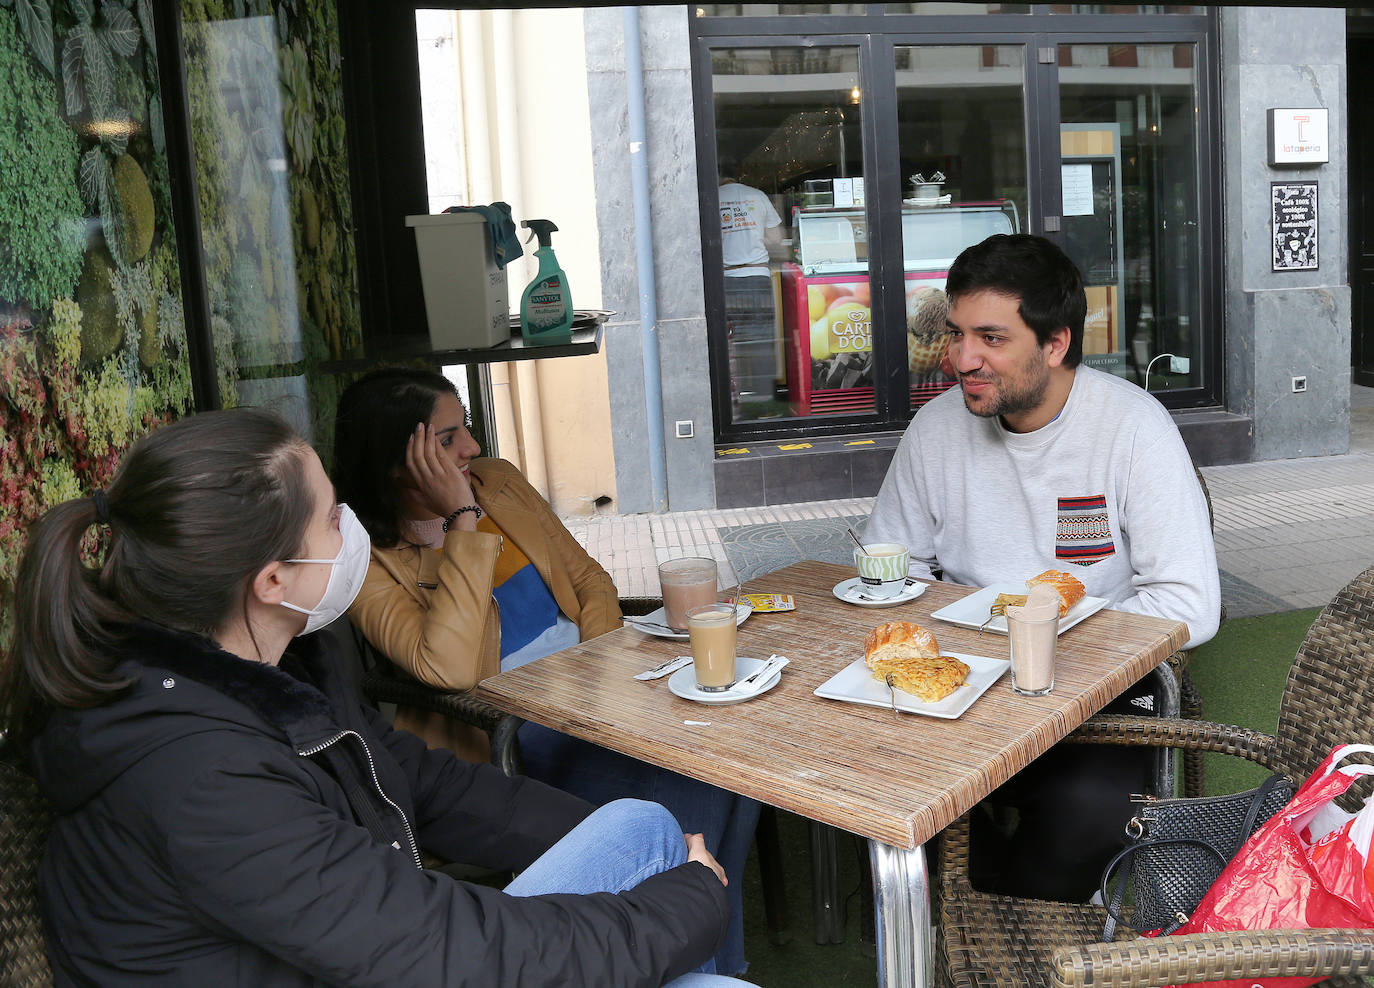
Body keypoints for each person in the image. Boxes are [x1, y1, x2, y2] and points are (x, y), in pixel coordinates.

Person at [0, 408, 749, 988]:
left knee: (646, 833)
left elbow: (425, 782)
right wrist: (686, 902)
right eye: (332, 517)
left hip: (374, 960)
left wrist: (661, 883)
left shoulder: (264, 675)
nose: (350, 526)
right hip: (405, 965)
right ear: (272, 581)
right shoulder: (197, 776)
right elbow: (442, 953)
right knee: (675, 894)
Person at [333, 368, 761, 976]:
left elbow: (589, 581)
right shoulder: (369, 560)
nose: (473, 449)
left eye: (467, 430)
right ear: (404, 456)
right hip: (508, 729)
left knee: (729, 752)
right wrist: (461, 523)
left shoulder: (498, 483)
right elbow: (449, 668)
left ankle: (714, 961)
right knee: (695, 781)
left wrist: (598, 669)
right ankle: (712, 964)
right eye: (450, 438)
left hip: (595, 691)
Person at [866, 233, 1221, 899]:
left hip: (1095, 699)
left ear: (1054, 344)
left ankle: (1000, 906)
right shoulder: (937, 429)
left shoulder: (1132, 428)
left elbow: (1189, 604)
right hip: (966, 688)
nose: (962, 359)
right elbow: (893, 565)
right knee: (864, 774)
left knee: (1089, 815)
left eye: (992, 339)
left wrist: (1039, 635)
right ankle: (967, 881)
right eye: (957, 334)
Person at [718, 155, 784, 406]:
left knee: (729, 341)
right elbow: (776, 238)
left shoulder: (712, 198)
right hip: (757, 275)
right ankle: (764, 396)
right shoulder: (757, 195)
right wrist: (754, 238)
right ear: (738, 174)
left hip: (726, 278)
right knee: (761, 339)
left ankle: (735, 396)